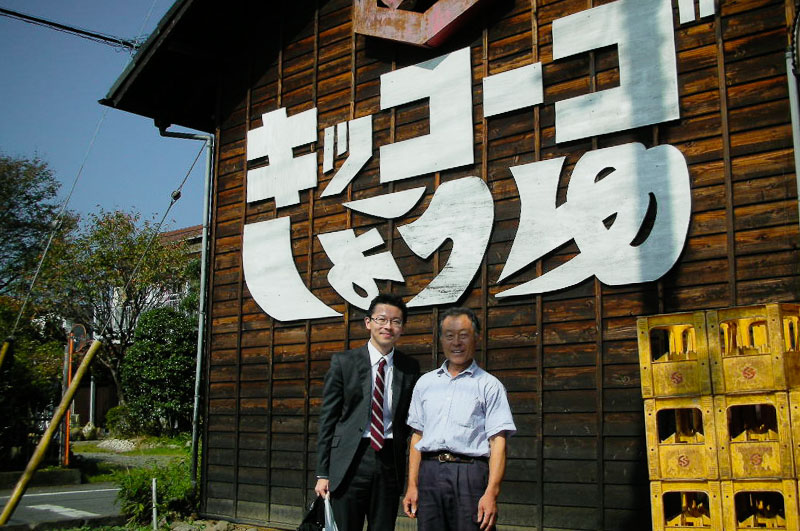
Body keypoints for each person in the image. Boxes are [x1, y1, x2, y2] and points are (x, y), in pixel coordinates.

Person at [403, 307, 516, 531]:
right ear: (441, 340)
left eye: (464, 335)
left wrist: (491, 493)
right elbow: (417, 436)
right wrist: (412, 485)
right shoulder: (425, 383)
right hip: (430, 473)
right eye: (449, 335)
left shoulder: (489, 385)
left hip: (470, 475)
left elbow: (498, 442)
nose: (456, 342)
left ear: (476, 338)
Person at [315, 293, 420, 531]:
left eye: (395, 321)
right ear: (368, 323)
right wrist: (322, 473)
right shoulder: (344, 362)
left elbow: (409, 419)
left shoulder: (409, 367)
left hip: (388, 460)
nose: (388, 326)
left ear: (402, 328)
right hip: (349, 460)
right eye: (381, 319)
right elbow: (328, 420)